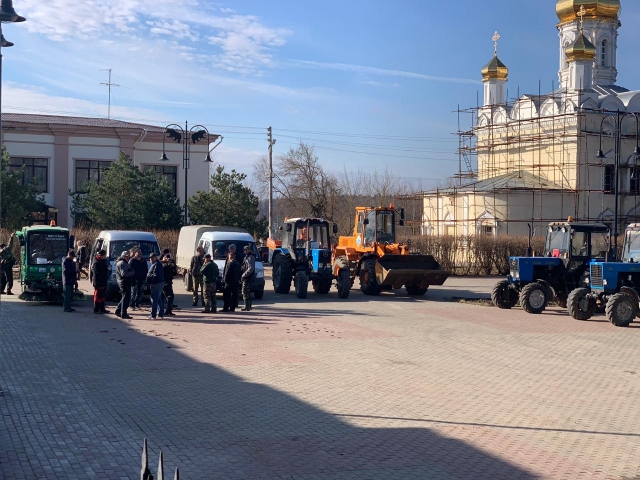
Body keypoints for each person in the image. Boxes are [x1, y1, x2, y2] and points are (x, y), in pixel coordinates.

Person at [115, 251, 135, 319]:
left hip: (122, 282)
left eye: (128, 256)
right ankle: (123, 313)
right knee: (126, 298)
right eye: (126, 256)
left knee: (124, 297)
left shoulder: (121, 262)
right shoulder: (123, 263)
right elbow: (124, 274)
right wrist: (132, 272)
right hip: (124, 282)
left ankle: (118, 310)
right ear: (123, 256)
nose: (128, 258)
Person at [222, 244, 241, 312]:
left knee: (228, 295)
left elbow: (228, 271)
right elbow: (225, 268)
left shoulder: (237, 258)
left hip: (230, 280)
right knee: (233, 295)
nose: (231, 250)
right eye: (230, 249)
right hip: (235, 280)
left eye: (232, 249)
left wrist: (225, 279)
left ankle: (227, 308)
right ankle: (231, 308)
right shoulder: (228, 258)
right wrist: (223, 275)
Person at [146, 252, 165, 319]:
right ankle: (160, 313)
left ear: (155, 257)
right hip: (158, 283)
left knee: (154, 299)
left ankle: (153, 314)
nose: (151, 259)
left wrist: (151, 281)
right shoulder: (155, 264)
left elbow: (156, 275)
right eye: (150, 258)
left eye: (152, 258)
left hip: (156, 284)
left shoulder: (157, 264)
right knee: (158, 299)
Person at [91, 249, 110, 314]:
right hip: (98, 282)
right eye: (104, 255)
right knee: (98, 296)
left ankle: (102, 308)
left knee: (102, 296)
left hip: (103, 281)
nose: (105, 256)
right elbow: (98, 271)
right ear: (100, 255)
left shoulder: (103, 261)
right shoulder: (96, 262)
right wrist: (106, 268)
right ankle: (96, 309)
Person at [240, 244, 256, 311]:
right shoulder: (246, 257)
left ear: (249, 250)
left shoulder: (250, 257)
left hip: (248, 277)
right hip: (246, 277)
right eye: (244, 250)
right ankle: (248, 306)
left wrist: (244, 275)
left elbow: (251, 268)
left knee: (246, 291)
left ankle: (248, 306)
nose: (245, 251)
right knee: (245, 291)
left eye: (246, 250)